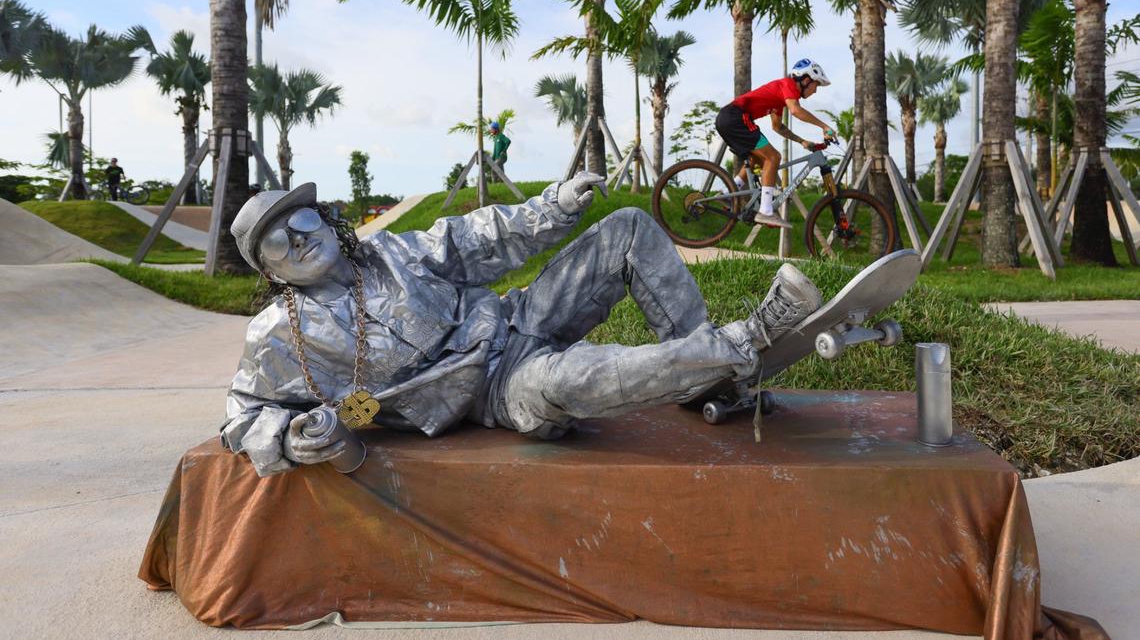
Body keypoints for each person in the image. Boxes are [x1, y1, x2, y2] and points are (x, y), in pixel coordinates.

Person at [222, 173, 823, 477]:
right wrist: (288, 441)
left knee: (628, 228)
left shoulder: (391, 252)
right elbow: (243, 416)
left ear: (325, 220)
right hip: (492, 391)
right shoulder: (277, 336)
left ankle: (709, 379)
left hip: (517, 319)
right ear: (268, 268)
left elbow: (477, 238)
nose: (298, 239)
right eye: (276, 240)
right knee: (564, 381)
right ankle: (746, 341)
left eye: (303, 220)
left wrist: (555, 204)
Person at [715, 59, 838, 228]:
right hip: (736, 117)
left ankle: (728, 193)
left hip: (729, 119)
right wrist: (824, 126)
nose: (815, 91)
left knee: (755, 158)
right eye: (816, 85)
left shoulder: (780, 98)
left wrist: (801, 141)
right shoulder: (788, 85)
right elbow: (795, 110)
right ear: (805, 80)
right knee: (773, 157)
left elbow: (777, 127)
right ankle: (766, 211)